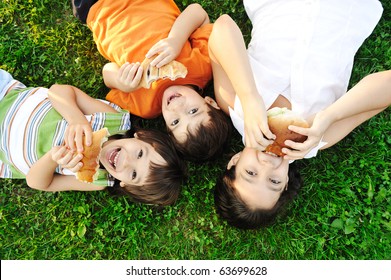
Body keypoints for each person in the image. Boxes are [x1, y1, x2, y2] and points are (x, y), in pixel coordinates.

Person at [207, 0, 388, 228]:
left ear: (235, 161)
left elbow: (222, 27)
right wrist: (329, 116)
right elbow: (385, 90)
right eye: (273, 181)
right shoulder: (316, 139)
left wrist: (249, 96)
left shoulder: (233, 104)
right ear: (285, 184)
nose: (266, 165)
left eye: (251, 173)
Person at [71, 0, 232, 162]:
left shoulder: (145, 108)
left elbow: (107, 71)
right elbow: (198, 12)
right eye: (193, 111)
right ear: (210, 102)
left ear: (167, 128)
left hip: (99, 12)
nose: (177, 107)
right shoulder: (202, 68)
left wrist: (121, 82)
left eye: (175, 122)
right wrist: (175, 40)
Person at [0, 69, 187, 206]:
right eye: (139, 154)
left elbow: (37, 183)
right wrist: (76, 119)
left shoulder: (95, 180)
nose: (127, 161)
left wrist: (52, 158)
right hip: (7, 98)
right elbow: (57, 91)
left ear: (126, 185)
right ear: (141, 137)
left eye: (134, 174)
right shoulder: (113, 120)